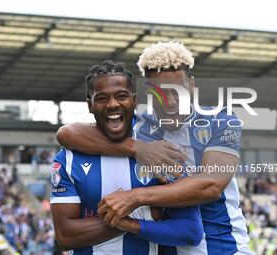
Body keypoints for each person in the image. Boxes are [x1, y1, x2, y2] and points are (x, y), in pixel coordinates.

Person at [56, 41, 254, 255]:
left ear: (191, 85)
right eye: (160, 93)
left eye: (177, 92)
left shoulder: (221, 121)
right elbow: (67, 133)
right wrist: (138, 148)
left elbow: (211, 185)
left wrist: (135, 197)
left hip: (224, 249)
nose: (169, 102)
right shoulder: (141, 128)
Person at [50, 60, 203, 255]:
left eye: (121, 96)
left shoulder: (161, 152)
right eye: (102, 98)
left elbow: (190, 231)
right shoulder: (69, 159)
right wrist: (146, 215)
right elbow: (66, 236)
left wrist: (131, 223)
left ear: (134, 100)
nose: (112, 104)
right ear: (90, 105)